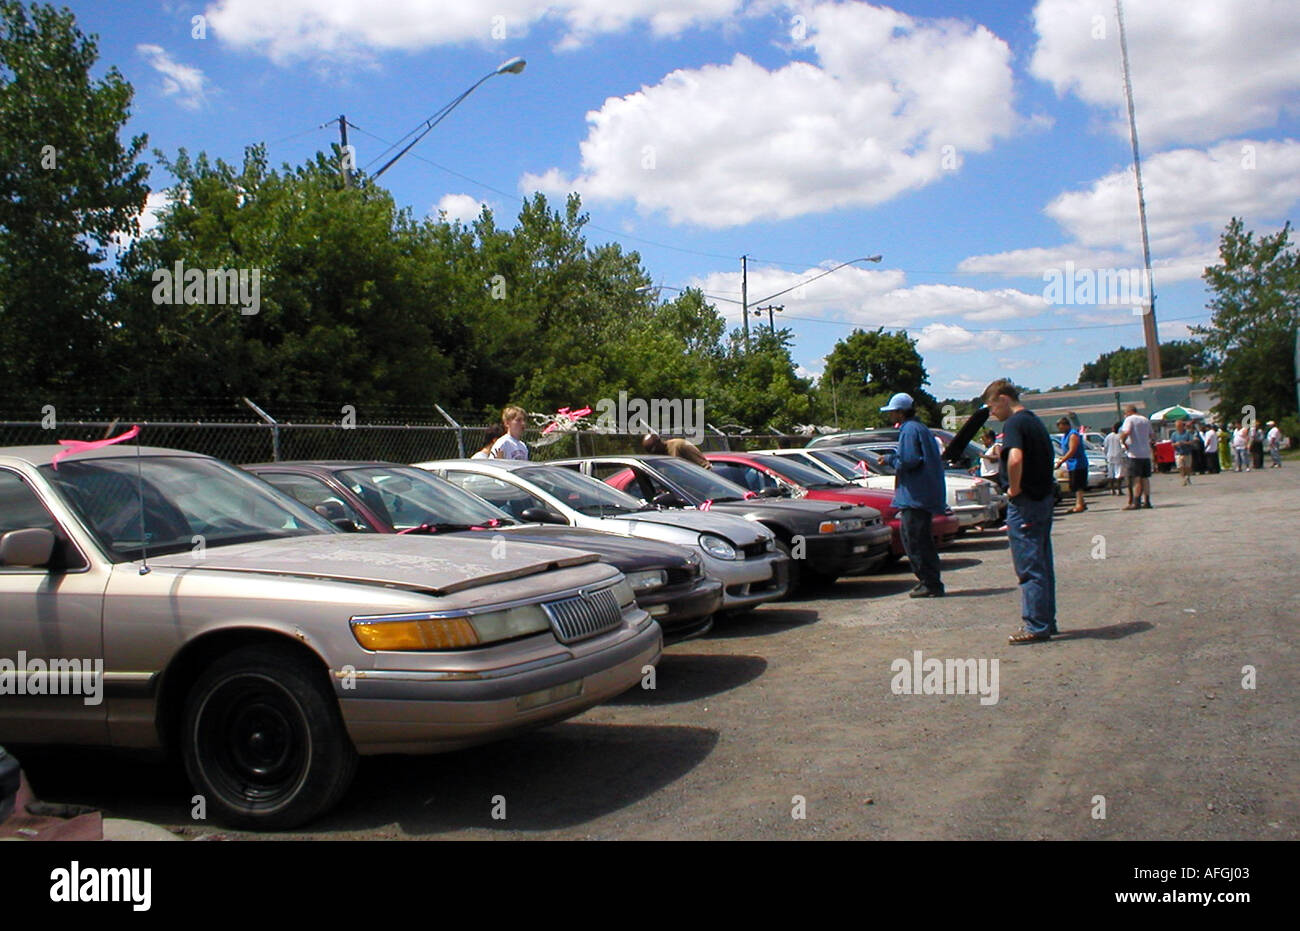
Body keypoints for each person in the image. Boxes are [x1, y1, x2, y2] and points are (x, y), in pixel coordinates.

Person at [984, 380, 1058, 643]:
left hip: (1025, 501)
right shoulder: (1034, 421)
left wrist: (1013, 489)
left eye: (992, 406)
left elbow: (1015, 458)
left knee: (1029, 565)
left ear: (1003, 399)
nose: (992, 413)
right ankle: (1047, 620)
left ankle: (1036, 625)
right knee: (1042, 563)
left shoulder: (1014, 423)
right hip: (1042, 498)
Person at [881, 392, 946, 598]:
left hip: (915, 496)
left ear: (901, 412)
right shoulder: (921, 428)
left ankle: (929, 583)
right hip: (922, 494)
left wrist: (890, 459)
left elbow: (909, 460)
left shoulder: (909, 430)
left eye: (892, 412)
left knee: (915, 540)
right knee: (921, 540)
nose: (891, 415)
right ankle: (930, 581)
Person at [1119, 403, 1154, 509]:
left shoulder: (1129, 420)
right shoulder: (1145, 420)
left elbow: (1127, 432)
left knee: (1136, 479)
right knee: (1145, 478)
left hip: (1134, 453)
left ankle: (1136, 501)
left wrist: (1123, 442)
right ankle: (1147, 501)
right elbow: (1152, 435)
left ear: (1129, 412)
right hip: (1145, 453)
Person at [1054, 417, 1089, 512]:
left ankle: (1079, 505)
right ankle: (1081, 502)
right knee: (1073, 484)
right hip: (1071, 464)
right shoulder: (1065, 436)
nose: (1060, 429)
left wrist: (1061, 461)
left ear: (1066, 425)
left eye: (1061, 427)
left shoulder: (1073, 434)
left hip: (1078, 463)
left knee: (1078, 484)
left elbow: (1072, 450)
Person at [642, 433, 712, 469]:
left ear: (659, 442)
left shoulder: (679, 445)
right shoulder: (661, 459)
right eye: (652, 453)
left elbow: (705, 465)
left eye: (655, 450)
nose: (655, 454)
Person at [1169, 419, 1196, 486]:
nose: (1178, 427)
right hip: (1178, 453)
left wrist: (1184, 443)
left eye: (1179, 426)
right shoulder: (1174, 434)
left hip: (1187, 452)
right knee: (1180, 467)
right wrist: (1176, 444)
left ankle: (1187, 477)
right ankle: (1184, 479)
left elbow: (1192, 442)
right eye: (1177, 426)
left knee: (1187, 467)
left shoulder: (1187, 433)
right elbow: (1172, 443)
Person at [1103, 421, 1126, 495]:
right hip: (1118, 456)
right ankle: (1119, 490)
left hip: (1110, 456)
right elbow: (1123, 447)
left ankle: (1112, 490)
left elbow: (1105, 447)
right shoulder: (1120, 436)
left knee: (1111, 474)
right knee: (1118, 473)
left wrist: (1106, 455)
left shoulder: (1108, 436)